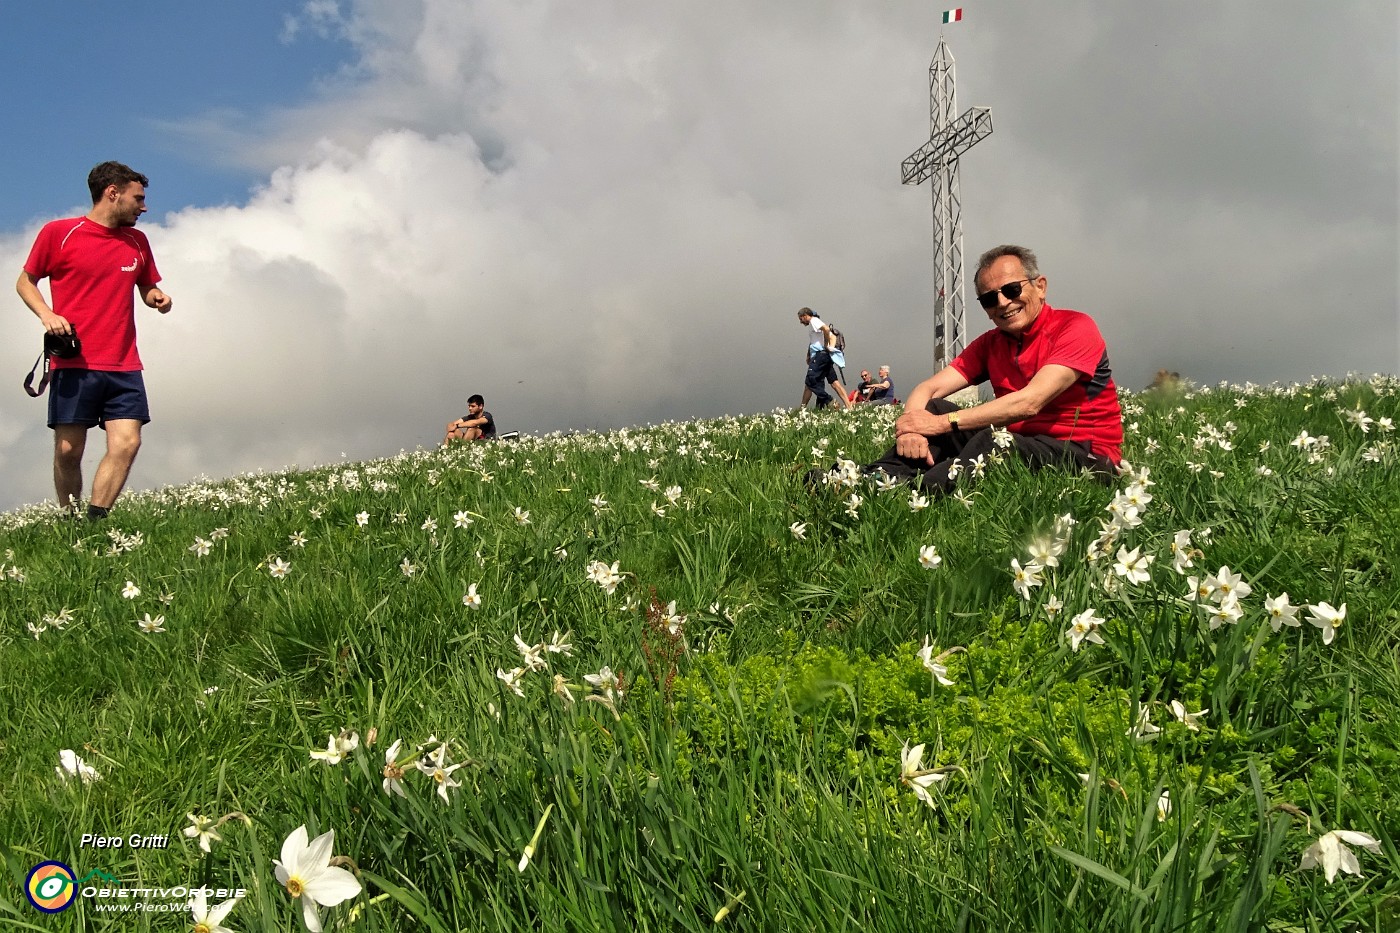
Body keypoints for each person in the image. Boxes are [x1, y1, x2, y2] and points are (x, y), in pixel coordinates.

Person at [855, 245, 1122, 492]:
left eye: (1012, 290)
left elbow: (1030, 402)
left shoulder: (1075, 327)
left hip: (1086, 455)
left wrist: (939, 425)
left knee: (991, 441)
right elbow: (929, 388)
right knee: (935, 407)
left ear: (1040, 286)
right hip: (1020, 441)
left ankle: (914, 493)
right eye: (989, 299)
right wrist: (912, 427)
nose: (1003, 303)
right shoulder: (990, 344)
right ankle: (875, 478)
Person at [16, 161, 173, 520]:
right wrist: (47, 314)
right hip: (74, 362)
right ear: (112, 192)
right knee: (69, 450)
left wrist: (156, 297)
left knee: (128, 442)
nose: (143, 207)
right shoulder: (59, 233)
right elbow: (25, 282)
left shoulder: (138, 241)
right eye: (138, 198)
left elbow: (146, 284)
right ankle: (70, 523)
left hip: (124, 364)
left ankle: (95, 520)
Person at [796, 307, 853, 411]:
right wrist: (809, 354)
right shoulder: (814, 324)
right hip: (823, 356)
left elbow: (826, 329)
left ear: (805, 316)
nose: (800, 322)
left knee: (810, 380)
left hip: (820, 356)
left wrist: (827, 346)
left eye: (801, 319)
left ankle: (830, 401)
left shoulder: (814, 321)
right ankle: (849, 407)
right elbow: (817, 340)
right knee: (834, 382)